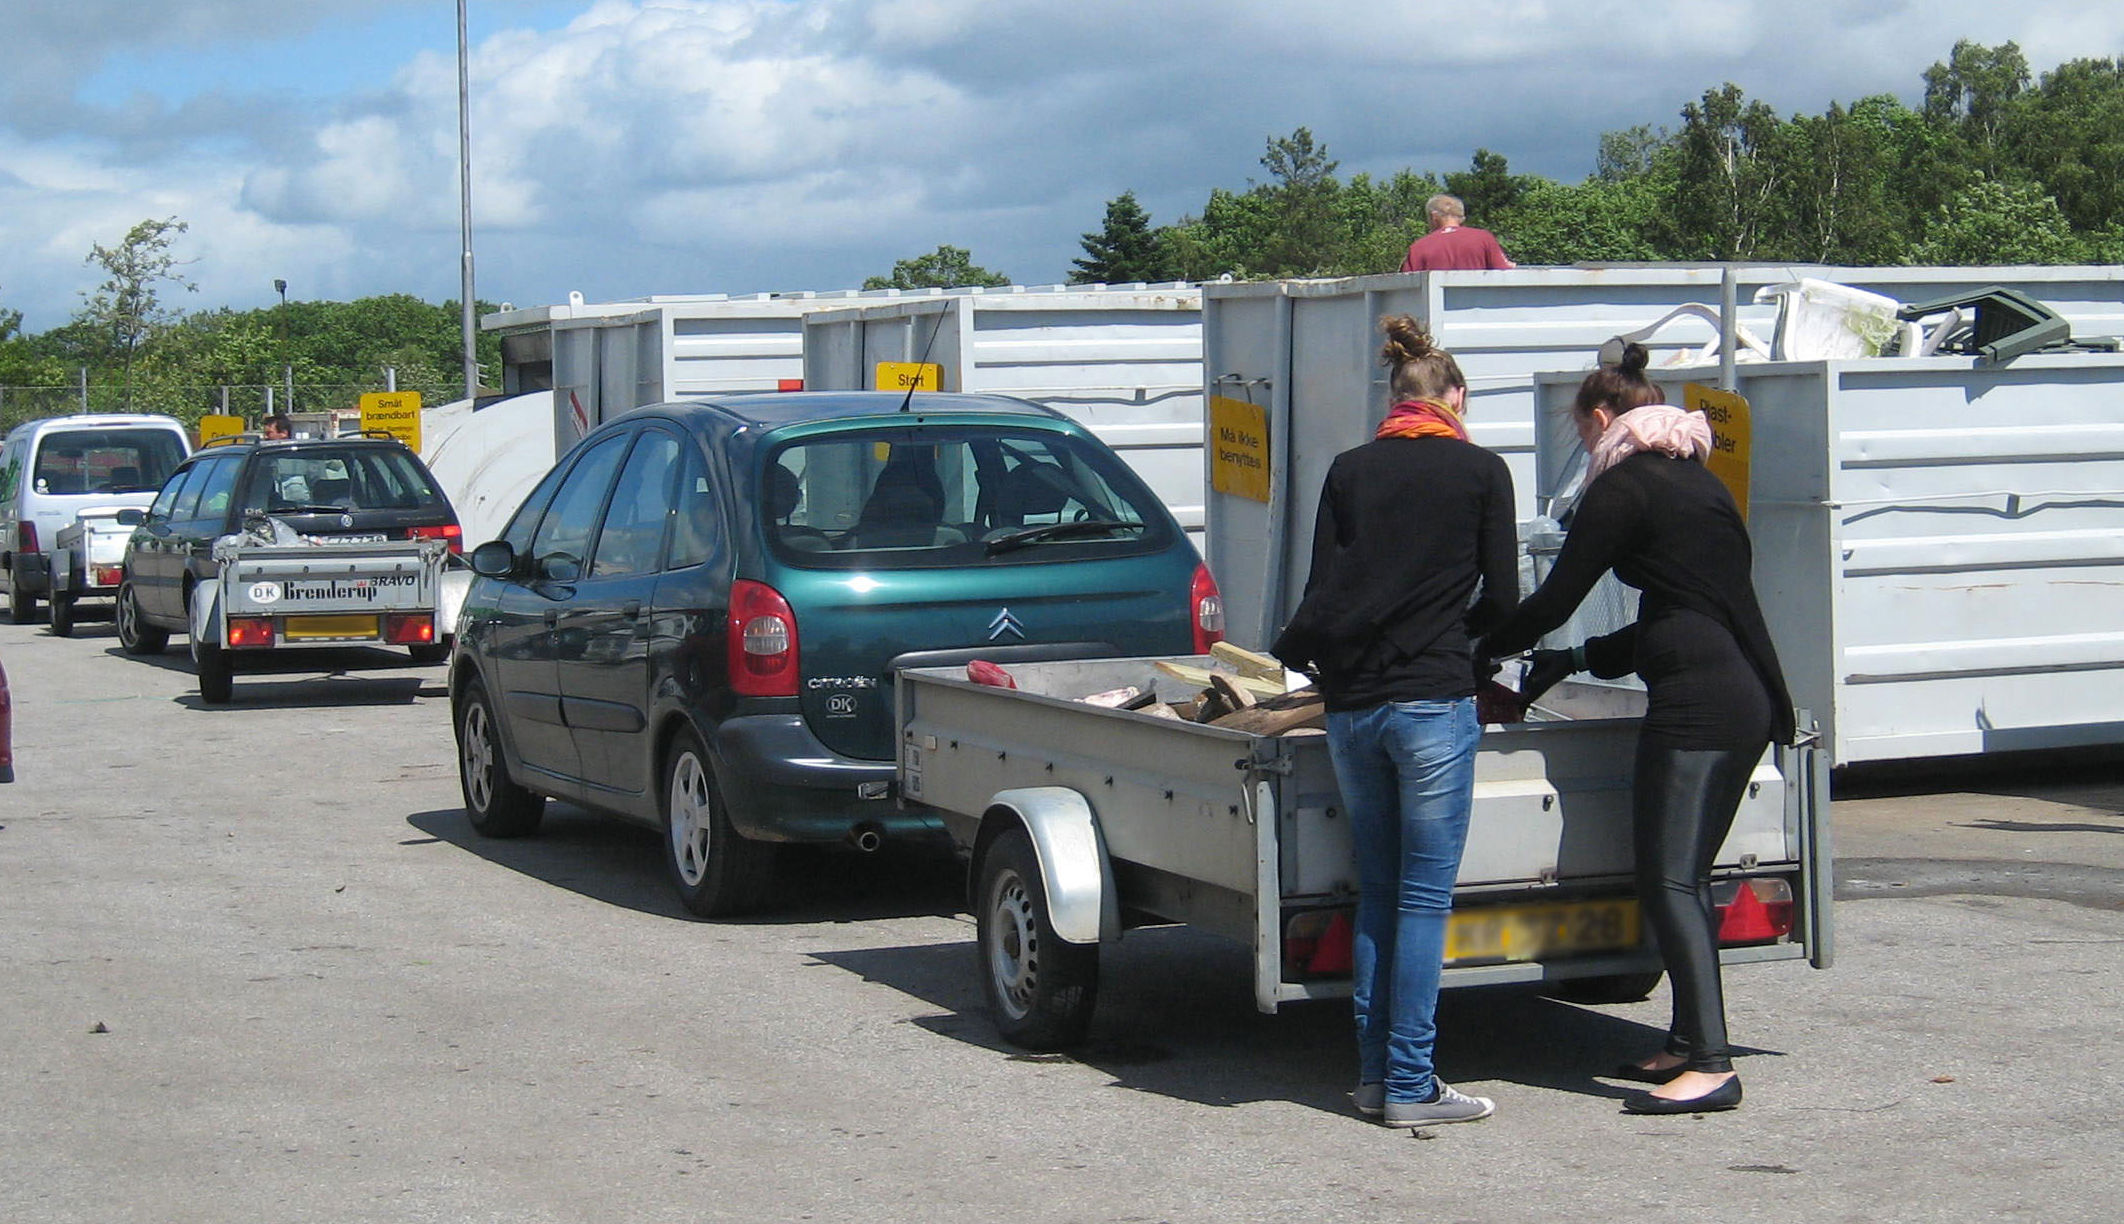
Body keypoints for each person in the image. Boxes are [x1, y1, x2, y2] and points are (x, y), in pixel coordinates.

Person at [1481, 341, 1793, 1115]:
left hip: (1698, 705)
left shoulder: (1623, 488)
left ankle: (1713, 1064)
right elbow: (1677, 610)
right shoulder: (1698, 483)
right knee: (1682, 876)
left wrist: (1479, 644)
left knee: (1671, 878)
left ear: (1599, 417)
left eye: (1581, 435)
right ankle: (1685, 1041)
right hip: (1741, 693)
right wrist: (1573, 658)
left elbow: (1553, 597)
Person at [1271, 314, 1517, 1128]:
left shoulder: (1348, 470)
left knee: (1378, 894)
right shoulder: (1483, 472)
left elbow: (1321, 588)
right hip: (1432, 702)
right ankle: (1412, 1084)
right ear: (1456, 397)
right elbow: (1505, 603)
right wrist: (1464, 643)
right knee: (1422, 900)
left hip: (1352, 708)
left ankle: (1376, 1076)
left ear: (1393, 397)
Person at [1399, 194, 1516, 272]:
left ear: (1434, 216)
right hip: (1479, 306)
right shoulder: (1484, 238)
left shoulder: (1418, 247)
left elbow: (1406, 284)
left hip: (1432, 308)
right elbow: (1503, 270)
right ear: (1461, 217)